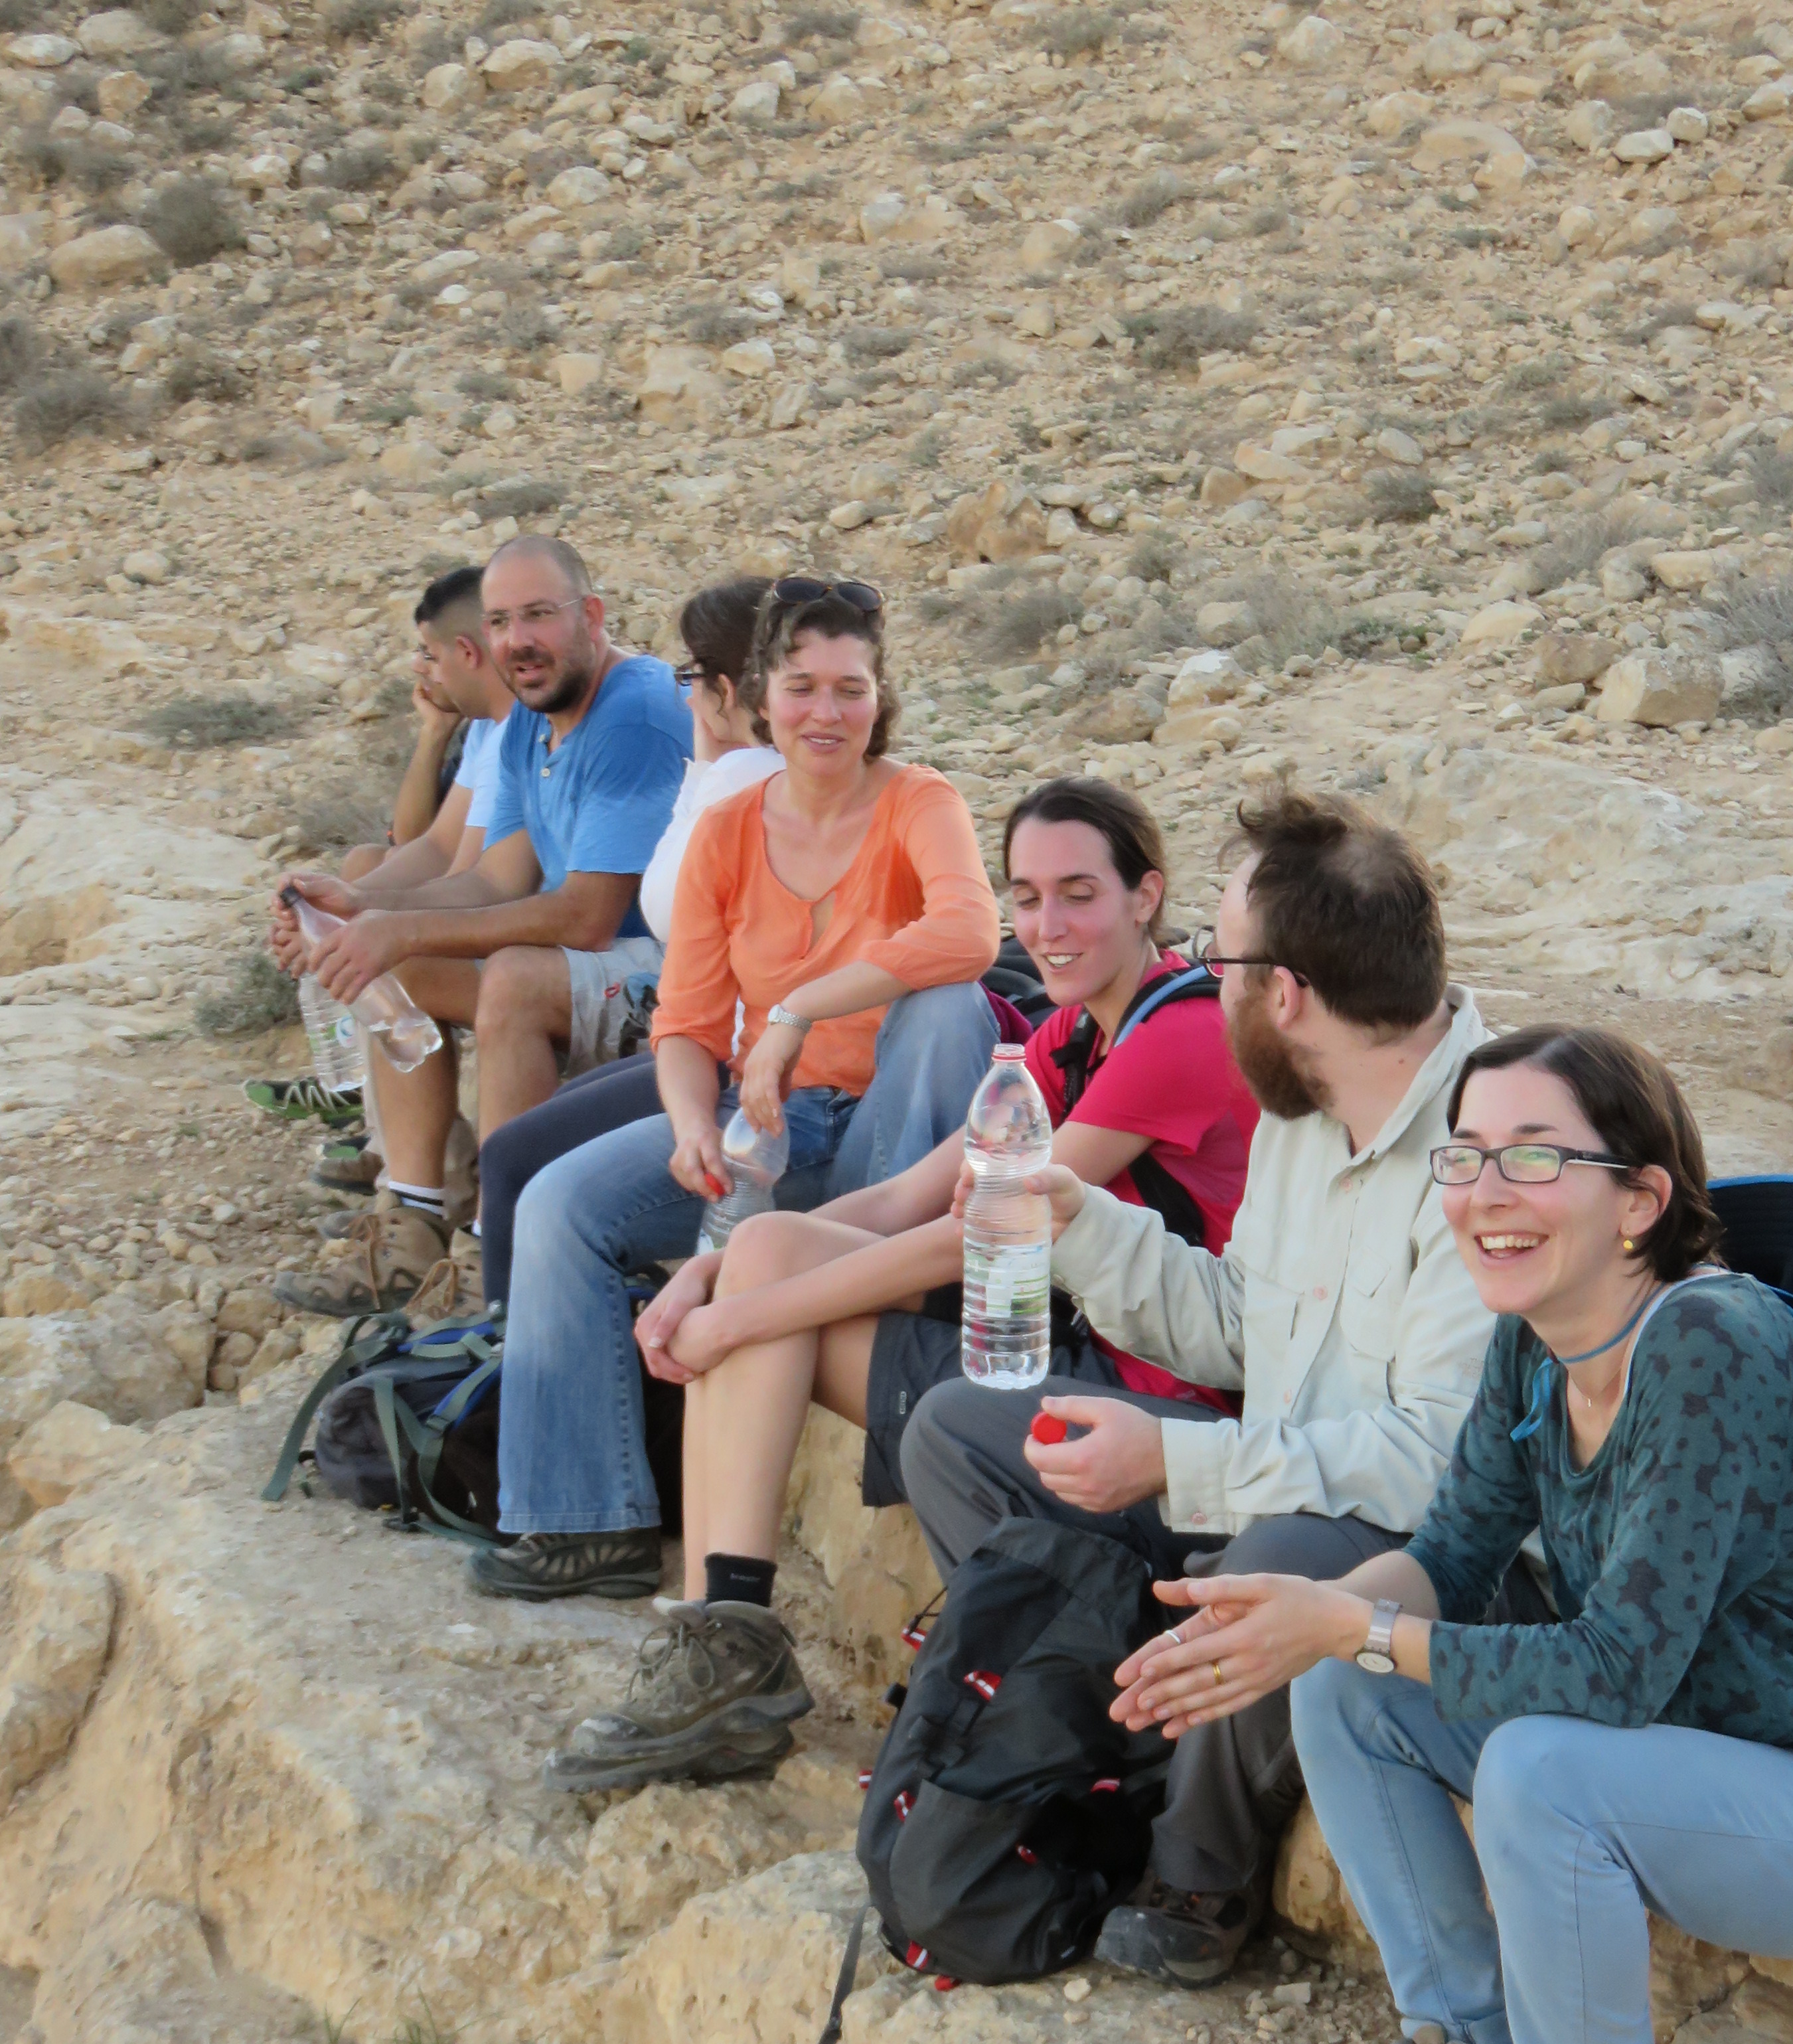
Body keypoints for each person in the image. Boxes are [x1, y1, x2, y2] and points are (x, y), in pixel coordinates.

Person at [1120, 1024, 1793, 2044]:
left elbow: (1615, 1673)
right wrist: (1296, 1621)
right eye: (1464, 1155)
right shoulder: (1536, 1339)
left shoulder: (1709, 1347)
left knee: (1537, 1767)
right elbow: (1450, 1555)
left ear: (1639, 1201)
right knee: (1345, 1683)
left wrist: (1352, 1622)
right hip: (1699, 1751)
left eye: (1532, 1158)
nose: (1484, 1192)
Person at [538, 775, 1259, 1792]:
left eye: (1079, 895)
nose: (1047, 927)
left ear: (1146, 897)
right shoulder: (1066, 1039)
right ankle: (720, 1639)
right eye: (1027, 897)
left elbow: (973, 1239)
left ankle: (724, 1660)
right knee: (769, 1246)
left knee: (764, 1300)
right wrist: (714, 1272)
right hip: (1070, 1343)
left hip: (1155, 1402)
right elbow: (904, 1203)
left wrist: (738, 1316)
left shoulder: (1177, 1035)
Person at [892, 786, 1493, 1989]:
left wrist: (1176, 1462)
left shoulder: (1488, 1150)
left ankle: (1197, 1870)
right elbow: (1238, 1329)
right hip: (1263, 1469)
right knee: (959, 1430)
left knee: (1285, 1551)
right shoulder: (1304, 1111)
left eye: (1220, 965)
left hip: (1398, 1543)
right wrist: (1081, 1222)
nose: (1204, 987)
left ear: (1286, 994)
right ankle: (1095, 1725)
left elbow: (1431, 1466)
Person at [469, 576, 1002, 1605]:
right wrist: (688, 1128)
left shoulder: (917, 801)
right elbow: (686, 1023)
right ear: (761, 697)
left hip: (899, 1127)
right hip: (773, 1125)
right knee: (555, 1202)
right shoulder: (728, 829)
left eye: (851, 689)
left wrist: (799, 1009)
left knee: (948, 1009)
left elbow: (971, 933)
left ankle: (883, 1307)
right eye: (802, 688)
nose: (826, 713)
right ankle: (586, 1522)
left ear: (880, 698)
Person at [271, 535, 688, 1318]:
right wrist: (358, 910)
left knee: (516, 980)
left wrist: (404, 927)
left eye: (539, 615)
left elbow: (588, 917)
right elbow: (494, 879)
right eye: (501, 621)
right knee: (395, 967)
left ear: (593, 616)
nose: (517, 640)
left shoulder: (633, 712)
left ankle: (498, 1256)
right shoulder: (532, 717)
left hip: (685, 977)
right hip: (606, 965)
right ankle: (414, 1222)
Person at [471, 574, 779, 1307]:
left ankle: (510, 1342)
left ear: (726, 689)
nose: (682, 694)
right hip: (713, 1039)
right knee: (539, 1135)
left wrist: (708, 758)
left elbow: (657, 904)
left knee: (515, 1160)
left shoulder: (744, 782)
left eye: (691, 676)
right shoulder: (750, 774)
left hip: (737, 1060)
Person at [250, 564, 514, 1166]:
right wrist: (332, 908)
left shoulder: (514, 729)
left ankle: (413, 1172)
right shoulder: (486, 729)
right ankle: (397, 1141)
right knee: (366, 875)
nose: (423, 670)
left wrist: (351, 919)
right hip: (500, 910)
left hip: (532, 935)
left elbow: (467, 876)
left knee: (394, 958)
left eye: (429, 655)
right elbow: (426, 842)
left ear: (467, 652)